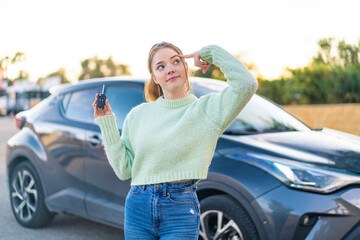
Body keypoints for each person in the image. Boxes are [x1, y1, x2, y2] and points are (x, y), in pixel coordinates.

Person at [92, 42, 258, 239]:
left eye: (176, 61)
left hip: (180, 209)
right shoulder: (137, 115)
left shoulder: (207, 110)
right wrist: (106, 123)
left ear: (186, 67)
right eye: (161, 66)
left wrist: (210, 53)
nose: (169, 69)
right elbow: (123, 170)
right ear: (155, 78)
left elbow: (246, 84)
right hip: (138, 205)